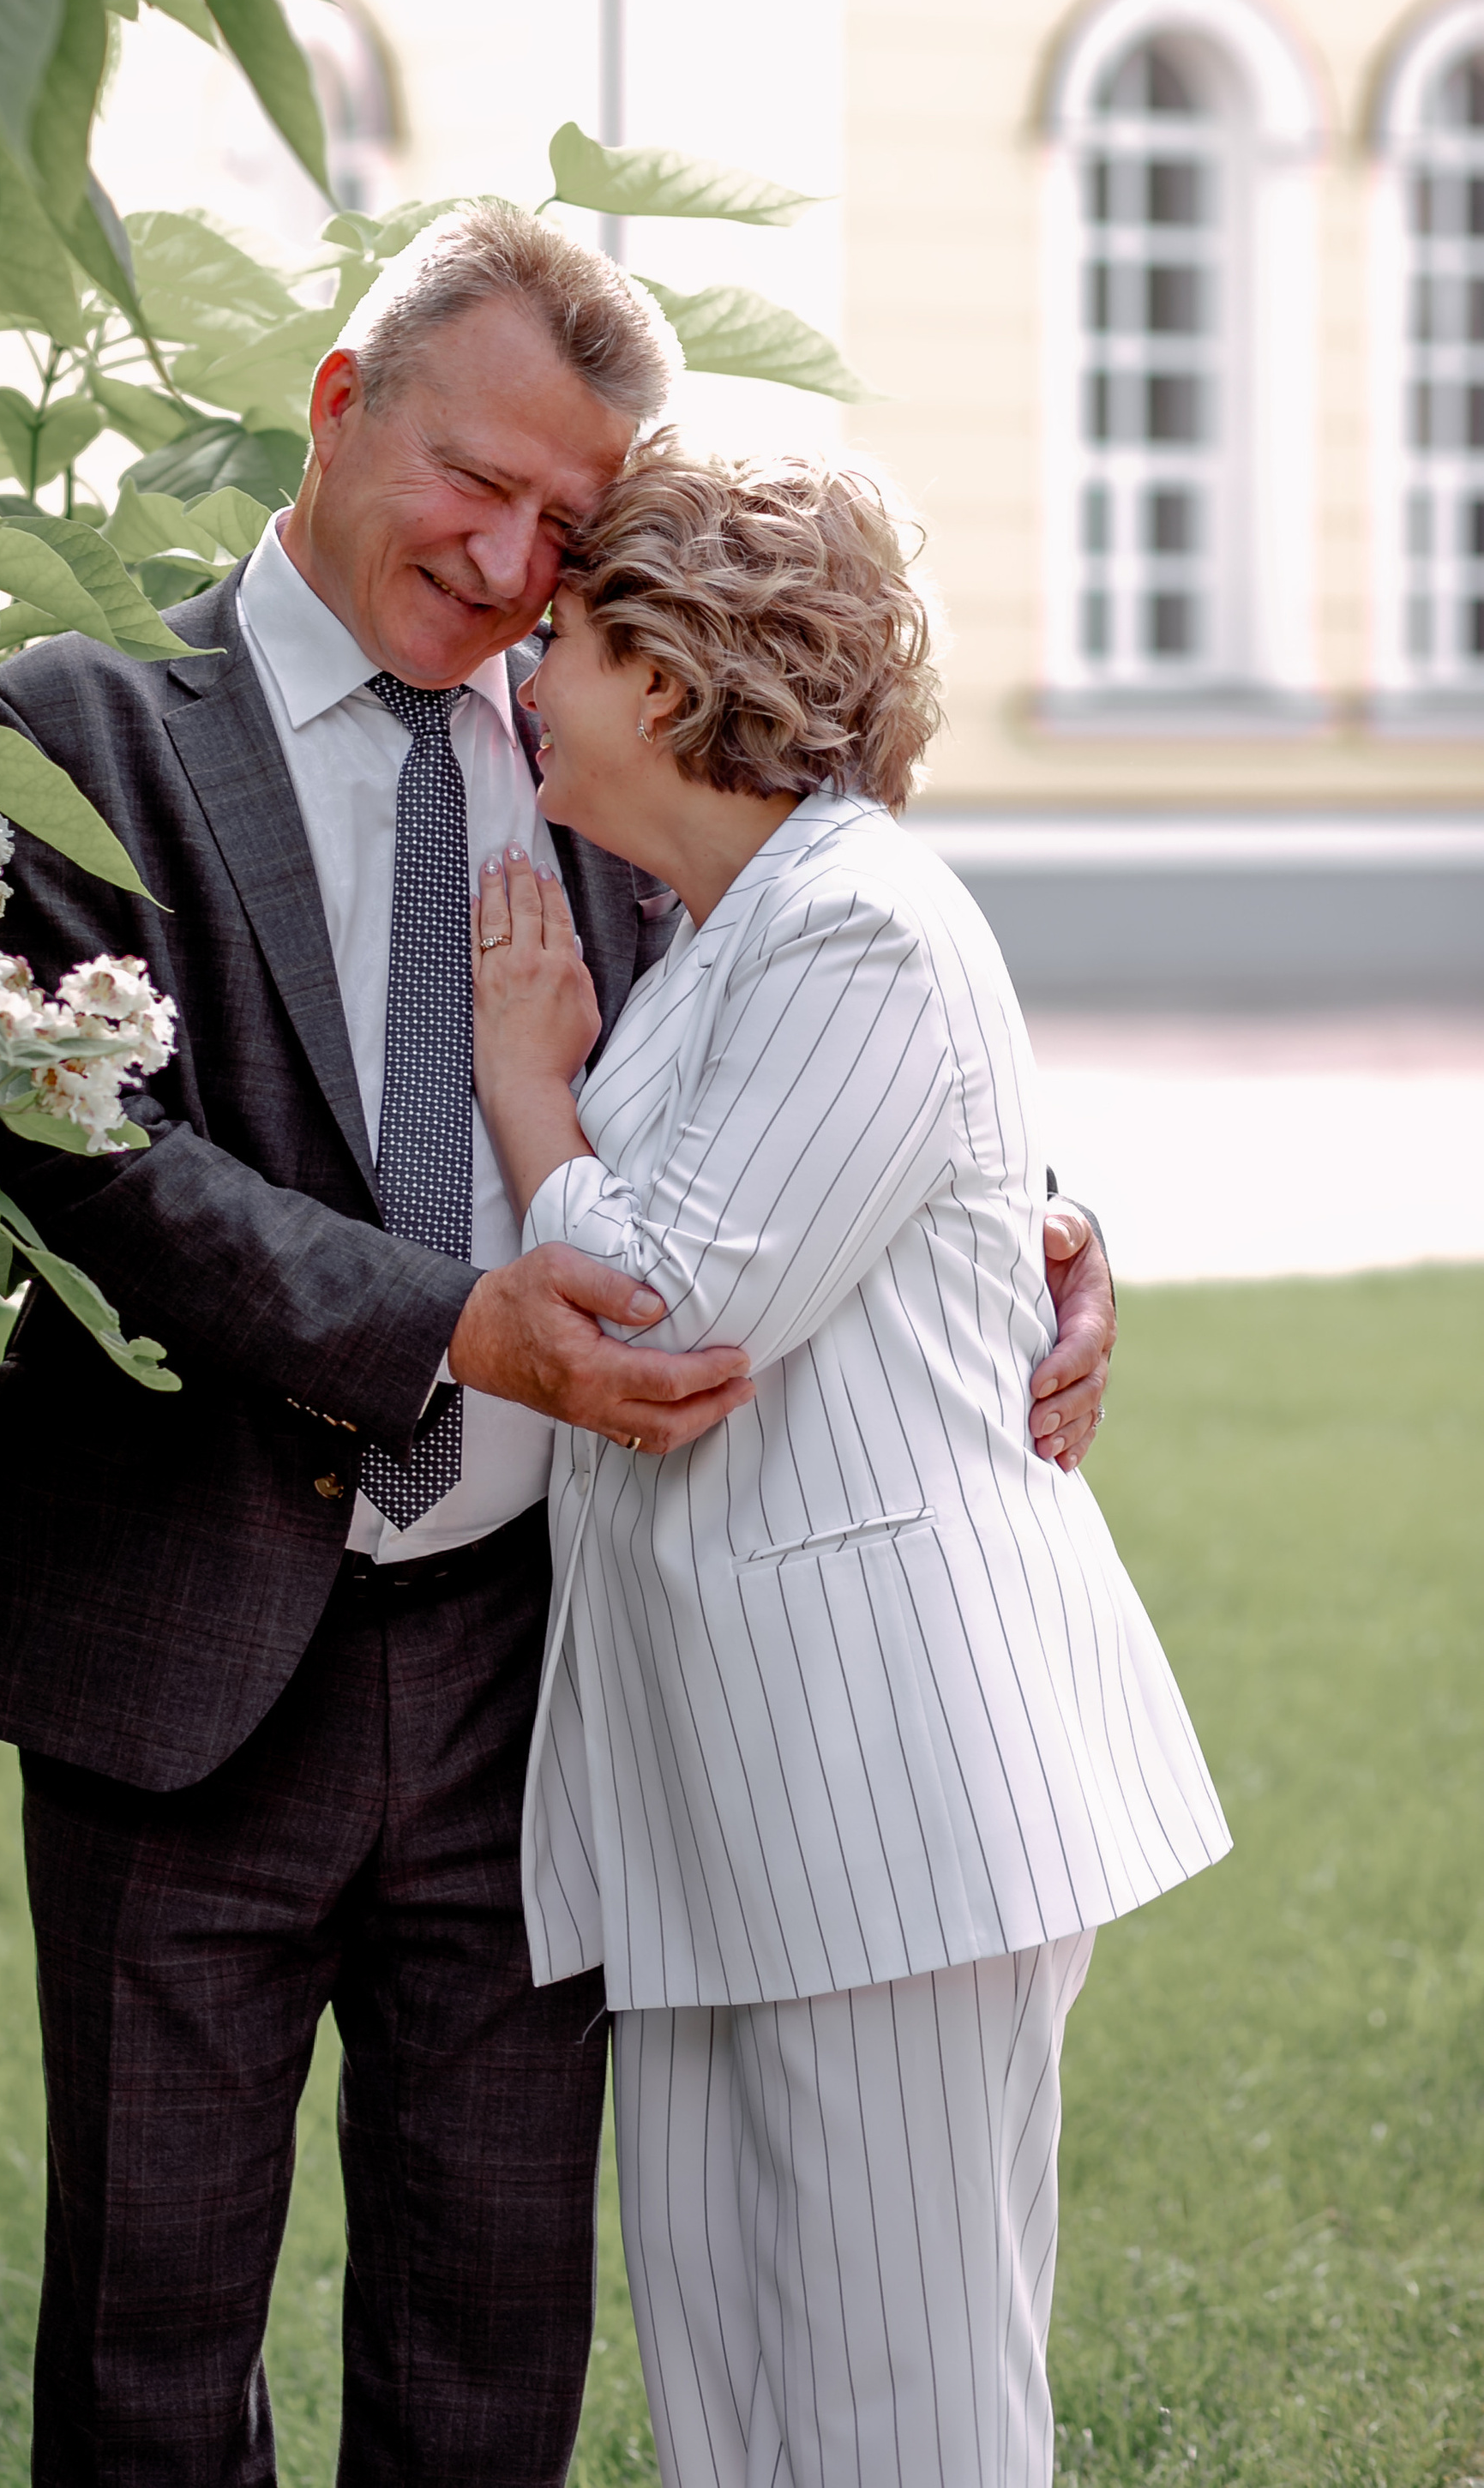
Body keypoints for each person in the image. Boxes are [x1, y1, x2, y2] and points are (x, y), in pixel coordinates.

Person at [0, 207, 1119, 2488]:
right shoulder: (68, 738)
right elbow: (98, 1173)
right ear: (338, 405)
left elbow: (831, 1036)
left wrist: (1046, 1217)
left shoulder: (616, 765)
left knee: (492, 2352)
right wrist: (458, 1323)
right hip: (186, 1650)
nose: (498, 561)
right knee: (152, 2349)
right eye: (470, 480)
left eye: (564, 532)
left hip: (541, 1671)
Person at [469, 443, 1229, 2488]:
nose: (521, 677)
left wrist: (528, 1094)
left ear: (664, 665)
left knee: (899, 2408)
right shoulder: (730, 924)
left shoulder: (860, 924)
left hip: (889, 1793)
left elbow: (670, 1325)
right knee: (735, 2400)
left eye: (555, 636)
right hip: (728, 1793)